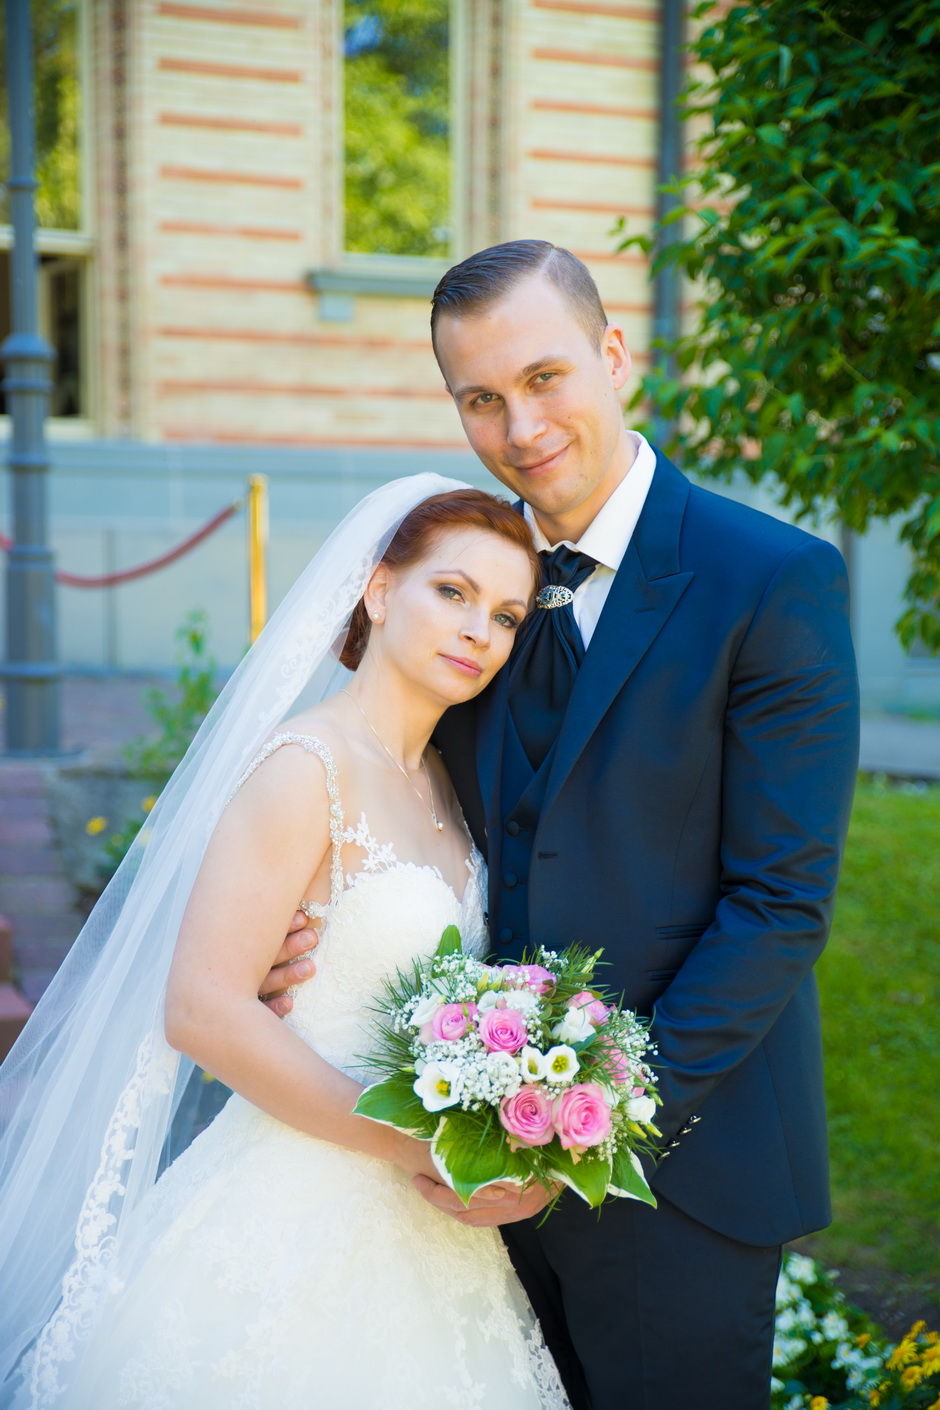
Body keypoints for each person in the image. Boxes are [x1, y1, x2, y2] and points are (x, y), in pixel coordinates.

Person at [263, 241, 860, 1410]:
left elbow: (778, 907)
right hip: (462, 1187)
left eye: (543, 378)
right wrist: (308, 930)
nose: (518, 425)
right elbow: (395, 800)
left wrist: (577, 1134)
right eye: (479, 399)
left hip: (684, 1174)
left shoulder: (770, 581)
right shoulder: (475, 594)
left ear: (613, 354)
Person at [0, 477, 572, 1410]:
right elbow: (202, 1009)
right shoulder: (306, 767)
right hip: (298, 1202)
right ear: (380, 592)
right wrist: (410, 1141)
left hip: (437, 1232)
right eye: (453, 593)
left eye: (506, 616)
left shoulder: (438, 781)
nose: (480, 631)